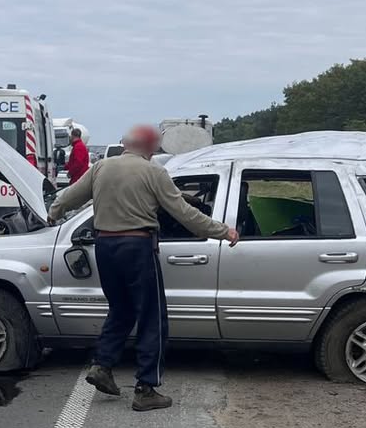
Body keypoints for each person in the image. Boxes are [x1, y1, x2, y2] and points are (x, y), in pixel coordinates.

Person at [48, 125, 239, 412]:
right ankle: (146, 388)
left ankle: (102, 365)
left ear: (126, 143)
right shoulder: (154, 172)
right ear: (151, 147)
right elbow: (185, 214)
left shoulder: (101, 167)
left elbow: (68, 197)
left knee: (121, 309)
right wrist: (224, 231)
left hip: (105, 247)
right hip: (137, 247)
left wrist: (52, 213)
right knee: (152, 317)